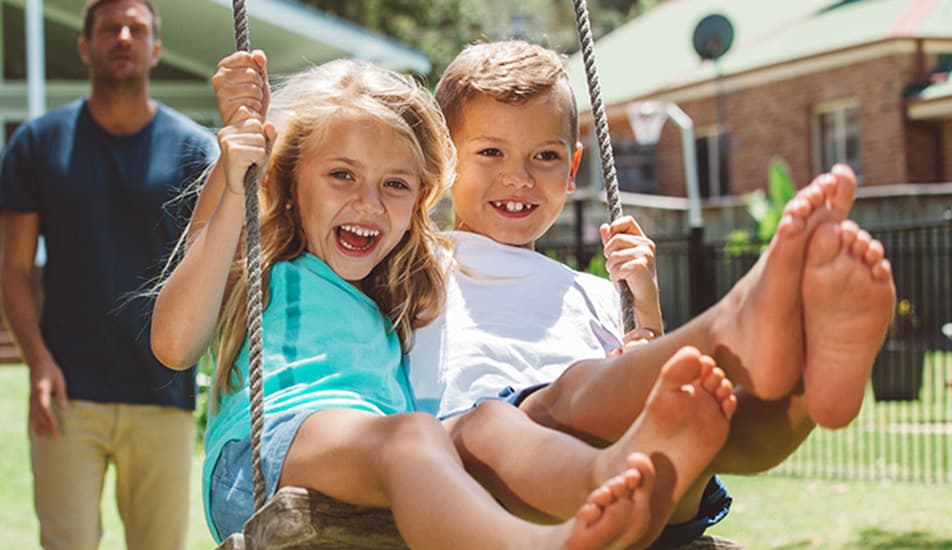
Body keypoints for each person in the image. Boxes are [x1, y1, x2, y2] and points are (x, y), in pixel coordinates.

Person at [152, 52, 745, 549]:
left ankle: (607, 482)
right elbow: (174, 345)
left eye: (395, 184)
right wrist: (233, 171)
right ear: (288, 181)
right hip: (264, 459)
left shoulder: (399, 285)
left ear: (417, 202)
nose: (369, 202)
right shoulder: (268, 262)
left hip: (377, 452)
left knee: (489, 421)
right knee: (416, 437)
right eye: (341, 175)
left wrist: (644, 312)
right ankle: (537, 541)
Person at [407, 40, 897, 547]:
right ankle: (730, 326)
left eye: (545, 156)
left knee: (710, 414)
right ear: (442, 161)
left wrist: (646, 313)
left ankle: (804, 391)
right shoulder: (416, 264)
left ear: (573, 169)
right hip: (498, 476)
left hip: (641, 493)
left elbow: (645, 386)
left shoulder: (596, 292)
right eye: (490, 152)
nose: (519, 176)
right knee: (559, 399)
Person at [0, 1, 218, 549]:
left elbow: (219, 266)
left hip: (164, 390)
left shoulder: (197, 149)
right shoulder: (38, 143)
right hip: (68, 393)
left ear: (156, 49)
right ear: (85, 46)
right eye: (109, 28)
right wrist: (38, 362)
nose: (123, 37)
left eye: (136, 28)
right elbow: (14, 266)